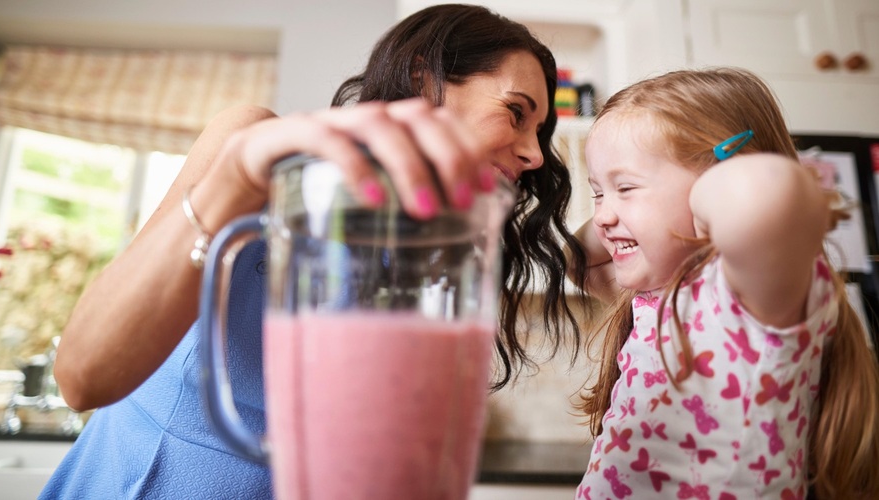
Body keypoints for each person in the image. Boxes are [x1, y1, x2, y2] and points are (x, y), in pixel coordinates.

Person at [39, 4, 591, 498]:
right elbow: (82, 379)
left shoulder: (438, 252)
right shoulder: (255, 151)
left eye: (539, 135)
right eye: (517, 112)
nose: (533, 156)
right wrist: (233, 178)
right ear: (427, 79)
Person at [573, 67, 879, 499]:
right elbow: (576, 259)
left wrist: (704, 193)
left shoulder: (756, 297)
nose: (603, 215)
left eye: (626, 186)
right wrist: (624, 199)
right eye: (598, 192)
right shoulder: (654, 295)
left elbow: (769, 192)